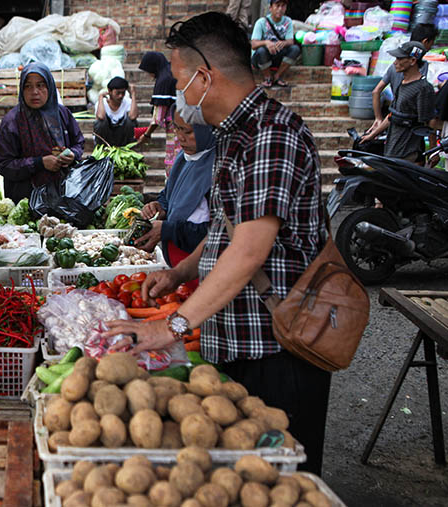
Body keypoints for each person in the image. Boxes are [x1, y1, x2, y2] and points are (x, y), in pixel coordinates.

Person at [104, 12, 330, 475]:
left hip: (278, 347)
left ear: (205, 77)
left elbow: (249, 250)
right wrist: (181, 273)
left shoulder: (271, 135)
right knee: (238, 474)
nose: (179, 94)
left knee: (279, 478)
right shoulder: (234, 136)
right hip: (237, 342)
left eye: (182, 80)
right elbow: (226, 230)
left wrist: (172, 326)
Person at [135, 108, 213, 291]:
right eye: (177, 129)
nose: (180, 137)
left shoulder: (219, 169)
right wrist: (160, 206)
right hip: (177, 275)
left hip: (202, 276)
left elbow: (218, 235)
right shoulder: (184, 158)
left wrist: (167, 230)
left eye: (188, 131)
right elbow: (169, 194)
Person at [0, 62, 85, 202]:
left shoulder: (62, 114)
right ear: (22, 90)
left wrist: (73, 155)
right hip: (26, 199)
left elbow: (78, 142)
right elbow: (3, 164)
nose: (34, 92)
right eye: (28, 86)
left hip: (63, 195)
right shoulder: (12, 121)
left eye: (40, 85)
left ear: (49, 87)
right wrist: (39, 163)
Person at [360, 42, 434, 163]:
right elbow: (392, 116)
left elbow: (429, 123)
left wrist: (433, 152)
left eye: (400, 59)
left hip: (409, 152)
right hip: (392, 148)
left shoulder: (423, 88)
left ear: (413, 61)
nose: (395, 62)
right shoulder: (402, 84)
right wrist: (372, 135)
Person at [371, 23, 437, 137]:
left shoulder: (395, 67)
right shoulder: (418, 70)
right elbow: (427, 121)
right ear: (426, 41)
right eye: (431, 43)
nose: (396, 62)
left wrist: (378, 119)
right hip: (410, 127)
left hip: (395, 120)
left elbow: (376, 91)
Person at [138, 52, 180, 175]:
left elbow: (158, 118)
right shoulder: (172, 72)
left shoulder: (163, 81)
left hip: (176, 125)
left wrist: (146, 135)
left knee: (174, 158)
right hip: (184, 120)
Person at [250, 0, 301, 88]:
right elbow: (253, 44)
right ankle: (268, 77)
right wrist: (266, 42)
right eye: (277, 6)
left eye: (283, 6)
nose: (280, 9)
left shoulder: (288, 21)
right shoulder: (261, 22)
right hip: (261, 58)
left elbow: (290, 41)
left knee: (295, 49)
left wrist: (284, 43)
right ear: (270, 8)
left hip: (277, 56)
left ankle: (277, 76)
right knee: (262, 51)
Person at [94, 76, 138, 147]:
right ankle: (101, 147)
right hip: (107, 137)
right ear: (109, 91)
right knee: (100, 123)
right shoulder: (102, 103)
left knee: (131, 122)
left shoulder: (127, 102)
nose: (120, 96)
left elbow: (133, 117)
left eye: (123, 93)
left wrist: (133, 94)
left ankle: (128, 147)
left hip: (122, 137)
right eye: (117, 93)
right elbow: (100, 116)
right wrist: (100, 97)